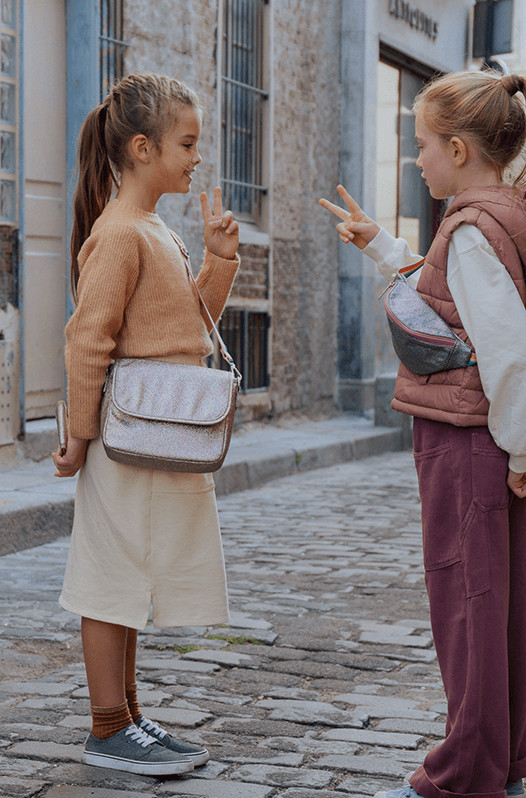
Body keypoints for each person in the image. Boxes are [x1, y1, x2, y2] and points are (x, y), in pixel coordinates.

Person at [320, 70, 526, 798]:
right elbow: (453, 301)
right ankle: (500, 765)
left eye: (421, 145)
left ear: (457, 147)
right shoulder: (492, 218)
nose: (416, 158)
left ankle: (462, 778)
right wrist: (383, 245)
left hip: (469, 443)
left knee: (469, 605)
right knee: (500, 607)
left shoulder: (472, 227)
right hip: (491, 443)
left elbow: (505, 348)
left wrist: (523, 450)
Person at [51, 73, 240, 777]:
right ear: (140, 148)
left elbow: (191, 324)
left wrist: (218, 260)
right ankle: (107, 727)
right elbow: (87, 337)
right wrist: (77, 434)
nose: (197, 157)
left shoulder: (155, 228)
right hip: (125, 438)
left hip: (156, 432)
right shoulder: (120, 233)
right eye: (187, 144)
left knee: (132, 577)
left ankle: (129, 717)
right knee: (109, 579)